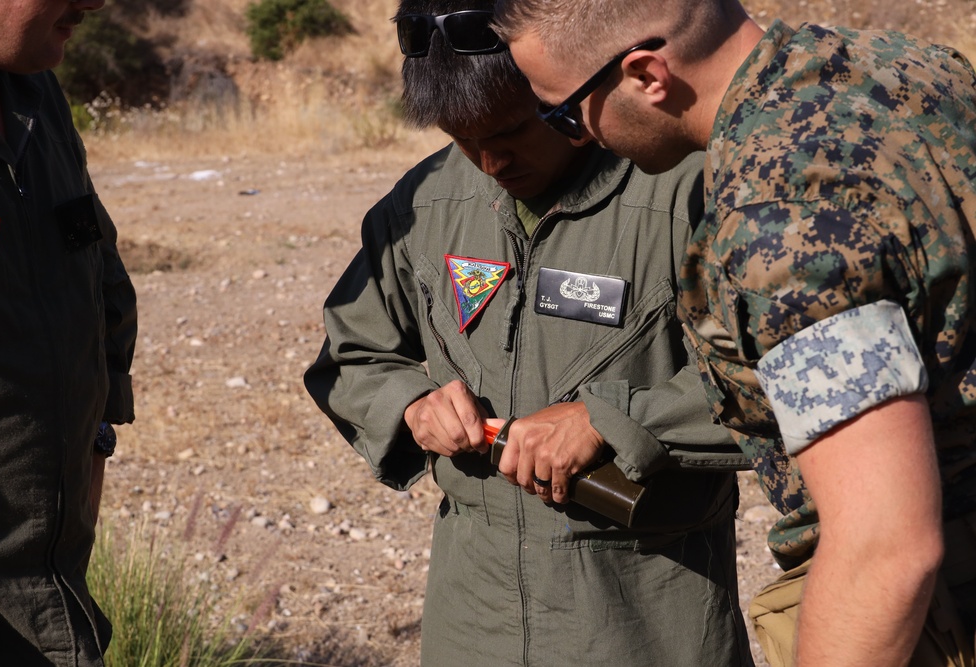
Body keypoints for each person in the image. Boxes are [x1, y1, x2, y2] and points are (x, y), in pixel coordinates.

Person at [494, 0, 976, 664]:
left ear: (646, 75)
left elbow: (886, 545)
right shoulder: (904, 67)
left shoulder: (780, 221)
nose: (575, 134)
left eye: (563, 109)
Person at [304, 1, 753, 664]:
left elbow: (778, 379)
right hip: (474, 612)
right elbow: (353, 353)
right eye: (462, 137)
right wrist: (410, 404)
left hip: (647, 612)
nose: (489, 160)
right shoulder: (426, 202)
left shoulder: (686, 189)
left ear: (561, 90)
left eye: (510, 131)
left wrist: (613, 420)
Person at [0, 0, 138, 664]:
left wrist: (100, 429)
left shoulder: (35, 94)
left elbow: (93, 266)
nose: (96, 3)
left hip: (51, 599)